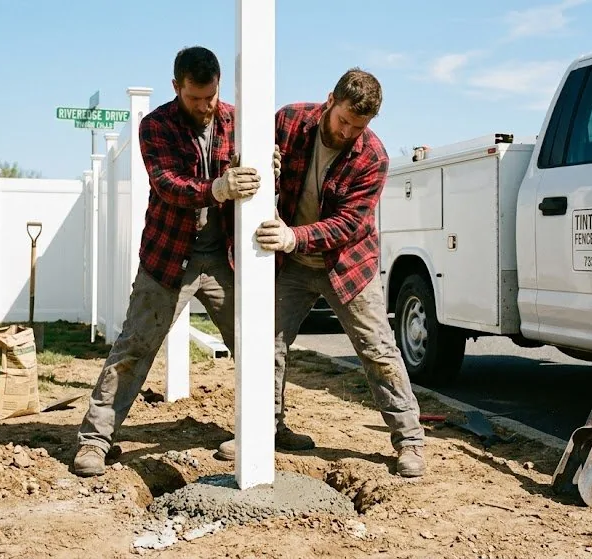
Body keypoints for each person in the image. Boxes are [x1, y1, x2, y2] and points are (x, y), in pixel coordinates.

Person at [73, 45, 278, 477]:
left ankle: (267, 428)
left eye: (211, 97)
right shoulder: (156, 126)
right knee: (135, 346)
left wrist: (266, 163)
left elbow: (255, 168)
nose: (205, 107)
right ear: (176, 87)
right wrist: (217, 188)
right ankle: (95, 439)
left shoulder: (238, 120)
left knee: (256, 342)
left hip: (223, 258)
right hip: (169, 258)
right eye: (195, 98)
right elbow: (168, 184)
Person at [215, 68, 427, 478]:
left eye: (358, 126)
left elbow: (349, 224)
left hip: (347, 265)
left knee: (379, 352)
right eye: (343, 120)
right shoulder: (290, 120)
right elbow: (241, 155)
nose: (347, 131)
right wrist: (255, 158)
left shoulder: (373, 158)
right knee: (267, 345)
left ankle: (409, 441)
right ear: (329, 99)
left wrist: (294, 236)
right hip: (292, 265)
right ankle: (262, 430)